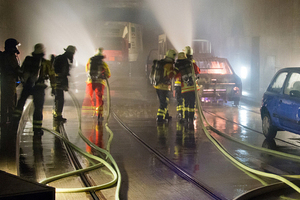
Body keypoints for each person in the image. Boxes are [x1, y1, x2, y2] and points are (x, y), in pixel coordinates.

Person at [12, 43, 56, 137]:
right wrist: (54, 88)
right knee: (38, 108)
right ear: (43, 51)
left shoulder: (28, 59)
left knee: (20, 103)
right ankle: (37, 129)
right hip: (39, 88)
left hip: (27, 86)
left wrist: (21, 82)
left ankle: (14, 122)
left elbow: (22, 71)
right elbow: (52, 76)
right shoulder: (46, 62)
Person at [83, 48, 111, 121]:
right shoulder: (103, 63)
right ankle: (99, 115)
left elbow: (86, 70)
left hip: (90, 82)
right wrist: (103, 75)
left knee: (90, 97)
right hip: (99, 83)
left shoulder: (90, 61)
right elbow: (108, 74)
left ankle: (89, 114)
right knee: (99, 98)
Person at [174, 52, 200, 128]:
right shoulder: (191, 63)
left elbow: (175, 75)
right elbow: (198, 71)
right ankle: (191, 118)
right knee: (192, 104)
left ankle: (185, 118)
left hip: (184, 88)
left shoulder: (178, 66)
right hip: (193, 87)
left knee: (185, 104)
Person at [0, 38, 21, 126]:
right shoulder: (10, 56)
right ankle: (12, 120)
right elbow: (16, 69)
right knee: (11, 100)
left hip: (4, 79)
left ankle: (3, 119)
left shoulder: (4, 55)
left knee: (4, 99)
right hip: (10, 80)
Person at [53, 45, 76, 122]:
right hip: (59, 81)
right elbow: (63, 73)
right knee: (60, 99)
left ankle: (56, 113)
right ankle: (58, 116)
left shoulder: (61, 58)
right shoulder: (63, 60)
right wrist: (64, 85)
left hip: (57, 80)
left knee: (58, 98)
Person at [154, 49, 176, 123]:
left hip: (157, 86)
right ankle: (160, 117)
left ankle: (166, 115)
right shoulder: (169, 65)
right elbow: (170, 76)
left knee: (164, 101)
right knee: (164, 103)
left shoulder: (162, 63)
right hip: (164, 87)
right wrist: (175, 71)